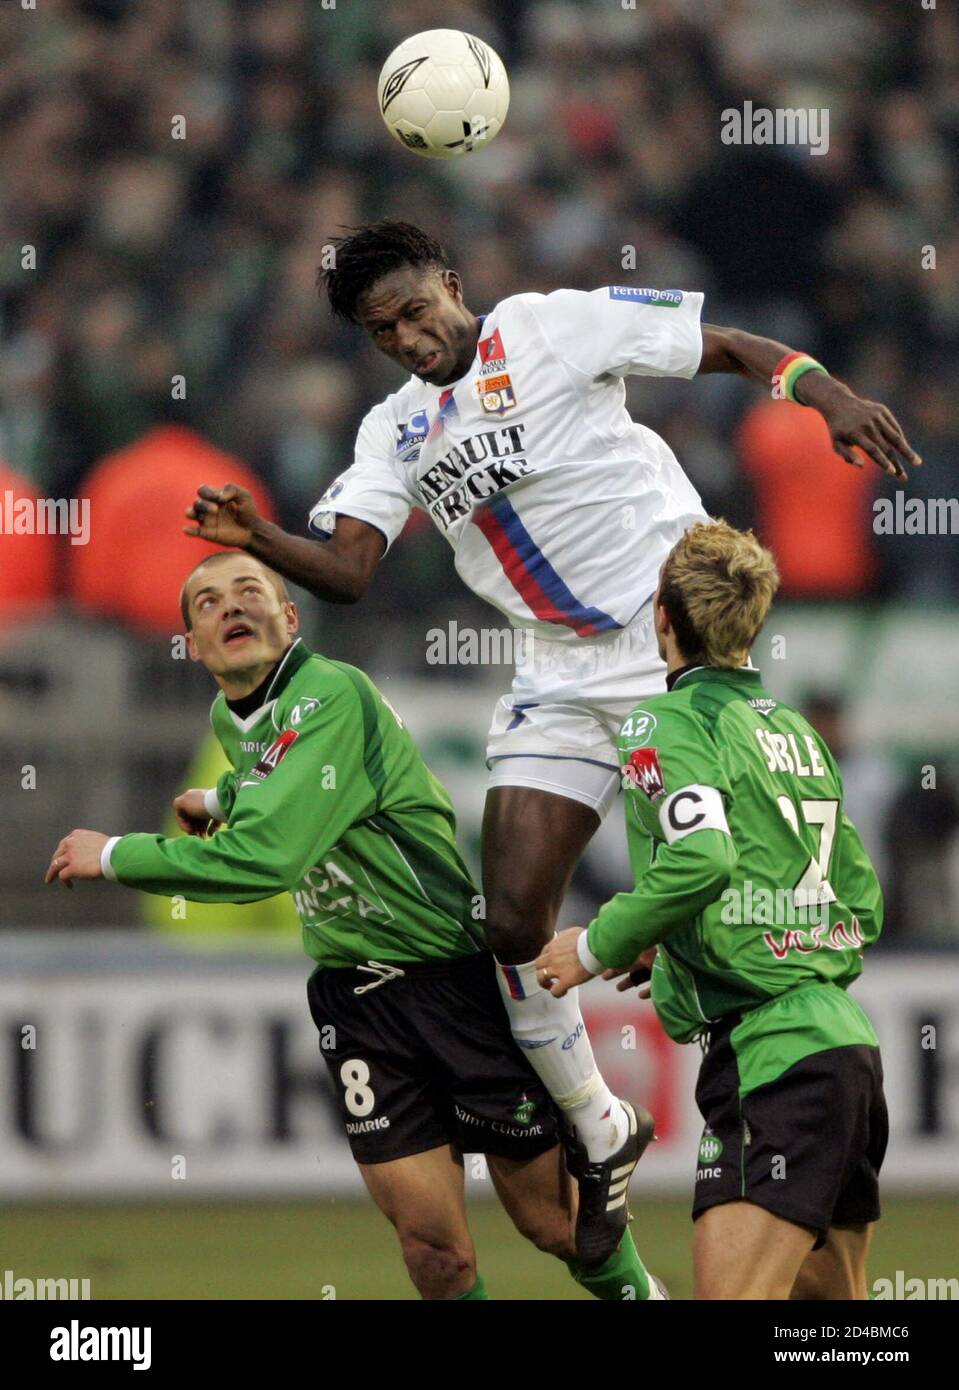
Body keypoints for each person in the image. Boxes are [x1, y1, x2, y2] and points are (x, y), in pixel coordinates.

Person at [181, 220, 917, 1261]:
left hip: (671, 640)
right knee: (512, 916)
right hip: (555, 675)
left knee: (732, 876)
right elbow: (348, 569)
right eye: (380, 328)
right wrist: (254, 535)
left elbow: (725, 344)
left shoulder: (550, 327)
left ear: (451, 281)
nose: (403, 335)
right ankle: (601, 1123)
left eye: (413, 310)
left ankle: (793, 1092)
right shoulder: (392, 432)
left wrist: (825, 394)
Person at [45, 550, 664, 1303]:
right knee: (435, 1255)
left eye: (251, 592)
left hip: (452, 980)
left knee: (553, 1224)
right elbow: (279, 782)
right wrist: (219, 800)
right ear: (194, 645)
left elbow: (268, 860)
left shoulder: (331, 693)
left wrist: (112, 854)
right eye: (207, 604)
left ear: (291, 618)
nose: (231, 608)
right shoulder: (231, 717)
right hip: (359, 1002)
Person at [536, 520, 889, 1300]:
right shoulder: (794, 730)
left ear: (661, 614)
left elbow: (702, 856)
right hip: (845, 1052)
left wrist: (593, 945)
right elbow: (858, 901)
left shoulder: (662, 723)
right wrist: (692, 938)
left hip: (777, 1061)